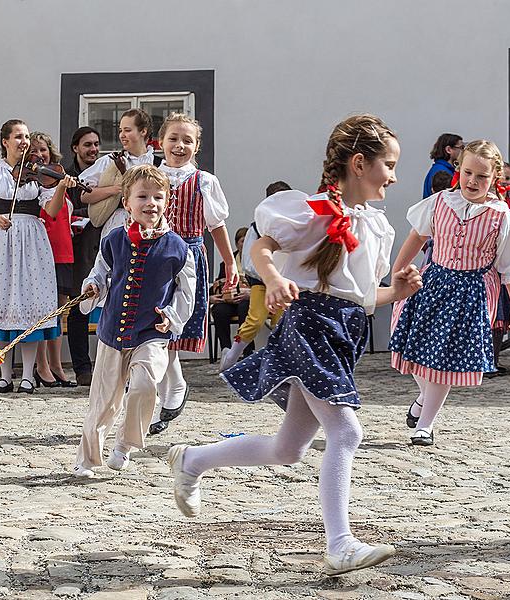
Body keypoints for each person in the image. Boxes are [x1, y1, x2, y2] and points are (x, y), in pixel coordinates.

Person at [168, 114, 421, 576]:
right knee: (347, 432)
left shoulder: (377, 227)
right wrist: (274, 277)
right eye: (389, 164)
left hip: (343, 331)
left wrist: (396, 293)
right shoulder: (312, 211)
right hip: (310, 327)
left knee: (289, 449)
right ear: (360, 164)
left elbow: (361, 298)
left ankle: (192, 459)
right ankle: (339, 543)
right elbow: (259, 249)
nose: (394, 175)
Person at [390, 140, 510, 447]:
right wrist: (398, 271)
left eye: (482, 176)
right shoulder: (440, 202)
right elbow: (417, 236)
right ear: (458, 170)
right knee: (415, 345)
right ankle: (424, 399)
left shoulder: (500, 216)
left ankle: (425, 424)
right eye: (468, 173)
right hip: (433, 281)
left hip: (472, 292)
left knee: (444, 359)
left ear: (495, 179)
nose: (473, 181)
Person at [73, 164, 196, 477]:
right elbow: (100, 273)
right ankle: (88, 460)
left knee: (143, 385)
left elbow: (186, 293)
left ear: (166, 202)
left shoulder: (178, 248)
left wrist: (172, 317)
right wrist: (93, 287)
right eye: (142, 196)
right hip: (113, 331)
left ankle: (125, 445)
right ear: (127, 202)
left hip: (151, 333)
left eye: (157, 197)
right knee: (103, 401)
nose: (150, 203)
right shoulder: (113, 240)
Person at [0, 119, 73, 393]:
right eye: (18, 137)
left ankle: (27, 376)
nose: (24, 141)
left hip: (32, 244)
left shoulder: (38, 176)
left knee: (29, 306)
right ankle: (4, 375)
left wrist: (61, 187)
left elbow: (50, 210)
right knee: (2, 306)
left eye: (26, 136)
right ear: (5, 142)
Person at [150, 113, 238, 435]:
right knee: (155, 328)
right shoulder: (149, 176)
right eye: (173, 138)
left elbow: (216, 225)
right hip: (154, 258)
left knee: (171, 325)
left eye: (188, 140)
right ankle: (173, 386)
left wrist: (230, 263)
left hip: (187, 258)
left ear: (197, 146)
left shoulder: (204, 181)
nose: (179, 145)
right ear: (161, 142)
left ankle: (172, 388)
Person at [218, 181, 291, 372]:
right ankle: (231, 356)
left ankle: (279, 361)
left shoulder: (295, 223)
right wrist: (267, 275)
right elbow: (250, 260)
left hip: (286, 282)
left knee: (281, 321)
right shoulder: (258, 226)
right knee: (256, 319)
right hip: (262, 282)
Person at [29, 131, 76, 387]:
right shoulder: (32, 184)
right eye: (34, 150)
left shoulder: (56, 180)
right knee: (43, 313)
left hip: (63, 248)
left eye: (44, 149)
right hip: (44, 250)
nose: (40, 155)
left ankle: (56, 363)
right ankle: (41, 365)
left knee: (60, 312)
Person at [79, 109, 159, 240]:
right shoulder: (111, 161)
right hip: (118, 226)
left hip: (150, 225)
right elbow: (84, 196)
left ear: (143, 131)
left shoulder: (159, 164)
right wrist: (115, 190)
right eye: (120, 130)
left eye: (127, 130)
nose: (122, 135)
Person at [65, 126, 101, 386]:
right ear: (76, 148)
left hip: (101, 244)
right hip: (78, 248)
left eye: (96, 144)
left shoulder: (103, 172)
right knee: (79, 308)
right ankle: (82, 368)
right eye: (87, 144)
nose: (93, 149)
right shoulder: (66, 176)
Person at [209, 227, 250, 354]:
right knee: (219, 310)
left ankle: (247, 350)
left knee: (244, 307)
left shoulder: (256, 259)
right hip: (230, 299)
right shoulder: (227, 262)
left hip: (249, 299)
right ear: (237, 243)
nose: (245, 244)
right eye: (242, 241)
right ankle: (226, 349)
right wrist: (214, 296)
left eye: (248, 240)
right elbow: (219, 282)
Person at [423, 133, 463, 198]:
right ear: (449, 150)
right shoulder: (441, 172)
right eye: (461, 148)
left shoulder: (442, 168)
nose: (463, 151)